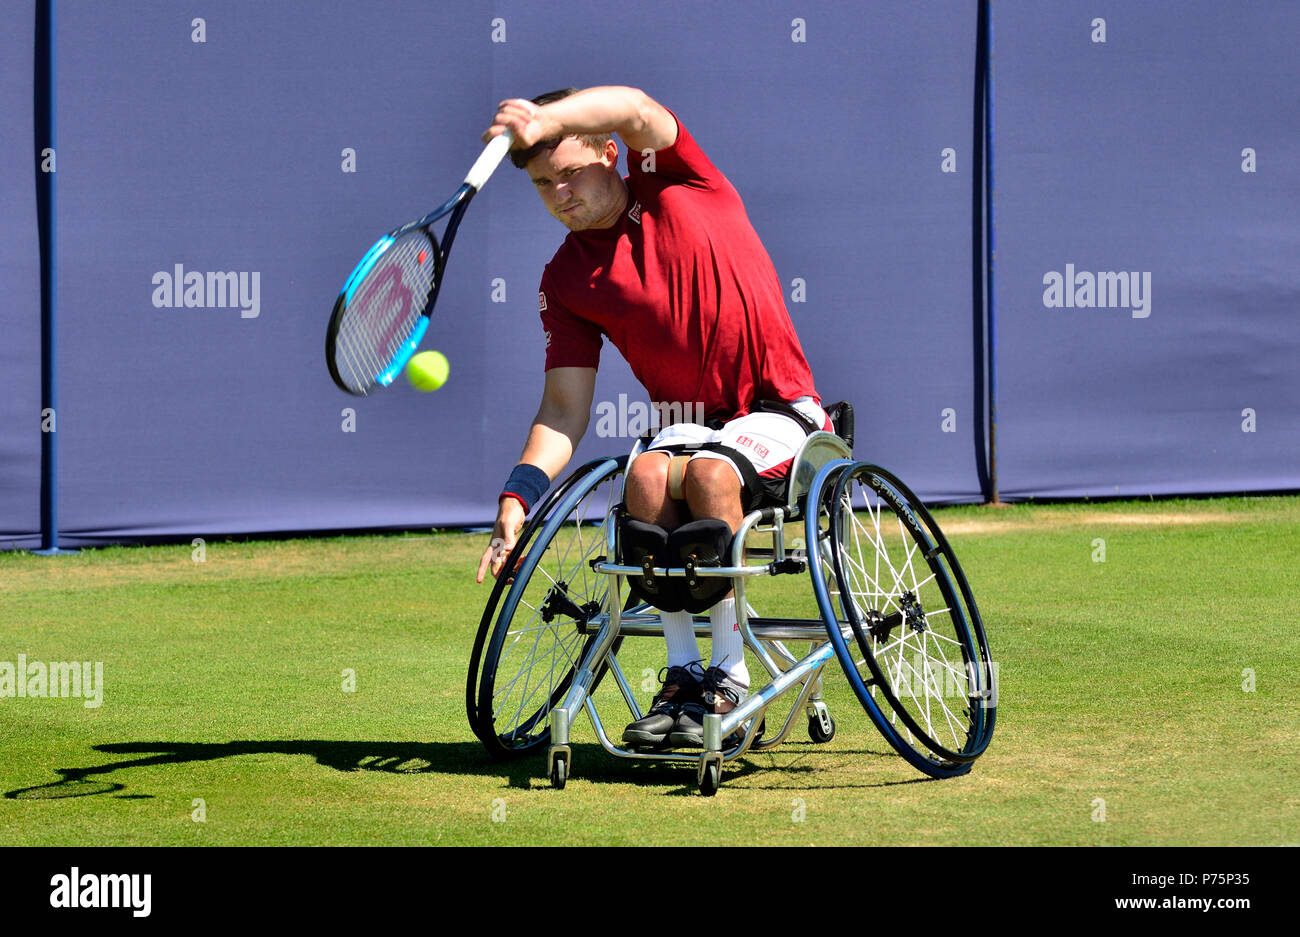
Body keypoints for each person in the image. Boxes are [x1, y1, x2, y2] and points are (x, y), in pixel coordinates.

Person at [475, 86, 830, 749]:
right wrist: (517, 493)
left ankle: (728, 678)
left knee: (710, 478)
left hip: (778, 409)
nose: (560, 194)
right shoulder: (566, 280)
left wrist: (545, 119)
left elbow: (637, 107)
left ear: (611, 153)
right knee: (643, 481)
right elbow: (561, 410)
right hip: (686, 425)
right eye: (544, 184)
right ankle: (681, 677)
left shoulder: (674, 175)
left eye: (571, 172)